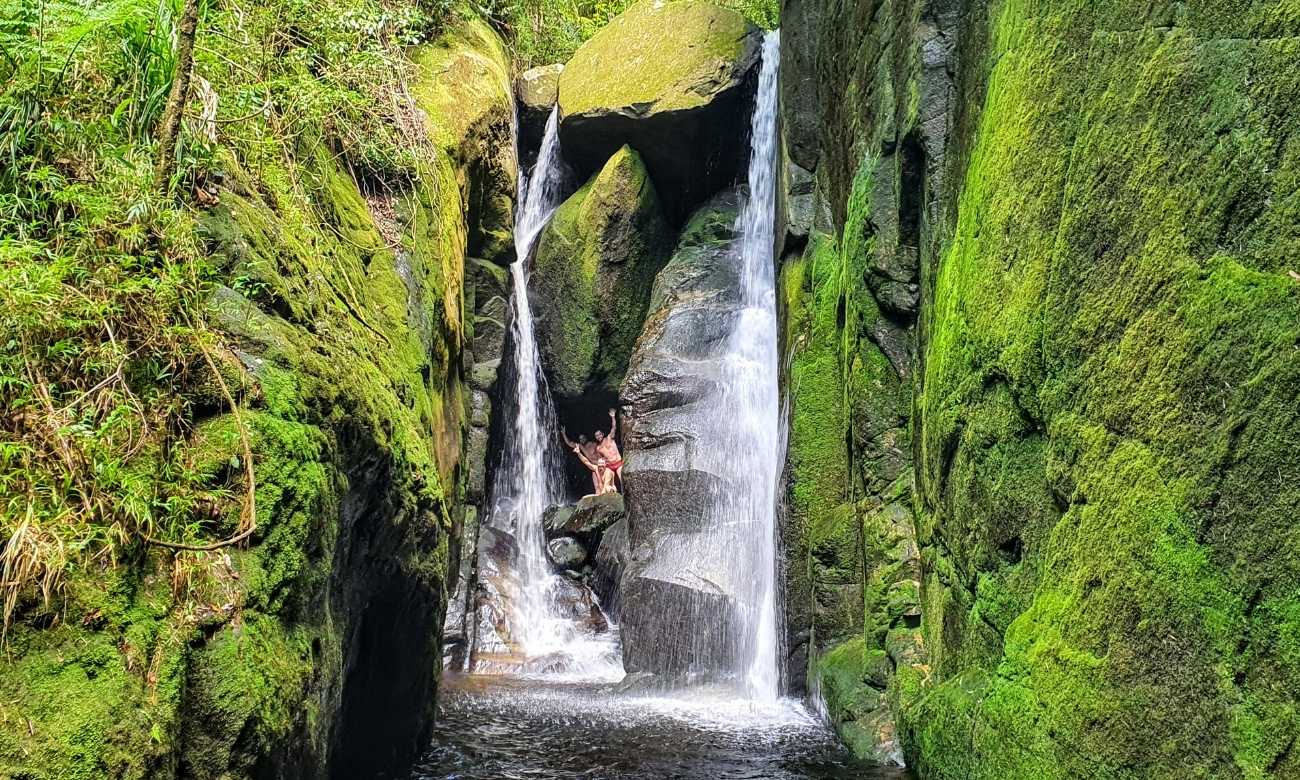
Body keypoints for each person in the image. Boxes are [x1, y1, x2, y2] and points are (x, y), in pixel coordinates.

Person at [561, 427, 602, 493]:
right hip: (593, 468)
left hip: (601, 465)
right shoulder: (581, 447)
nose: (582, 440)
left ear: (586, 437)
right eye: (580, 439)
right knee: (597, 487)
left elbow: (602, 453)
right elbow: (569, 443)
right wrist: (563, 434)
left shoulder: (594, 444)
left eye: (583, 438)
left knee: (604, 484)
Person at [593, 408, 624, 490]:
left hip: (618, 463)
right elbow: (601, 459)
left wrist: (613, 417)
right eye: (596, 436)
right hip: (609, 466)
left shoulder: (609, 438)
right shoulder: (598, 448)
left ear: (602, 434)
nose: (598, 437)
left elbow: (614, 427)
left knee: (622, 481)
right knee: (607, 484)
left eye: (599, 434)